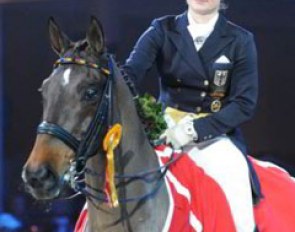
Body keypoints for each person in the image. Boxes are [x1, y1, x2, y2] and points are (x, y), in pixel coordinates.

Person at [123, 0, 260, 231]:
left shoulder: (240, 39)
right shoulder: (162, 29)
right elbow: (129, 75)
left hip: (213, 133)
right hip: (163, 129)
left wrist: (193, 130)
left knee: (235, 170)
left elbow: (244, 103)